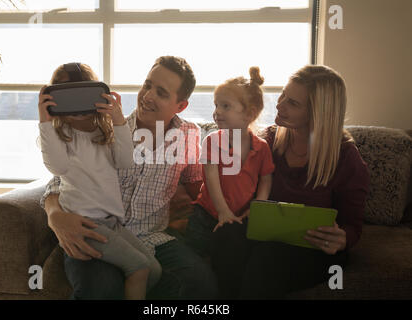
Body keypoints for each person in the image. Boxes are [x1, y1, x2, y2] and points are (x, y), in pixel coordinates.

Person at [39, 56, 218, 299]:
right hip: (97, 230)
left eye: (161, 93)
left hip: (154, 237)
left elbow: (197, 185)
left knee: (201, 282)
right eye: (147, 85)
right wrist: (55, 216)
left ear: (180, 106)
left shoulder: (189, 137)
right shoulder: (105, 126)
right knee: (102, 289)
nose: (148, 96)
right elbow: (60, 179)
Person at [210, 65, 370, 299]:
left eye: (292, 103)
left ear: (318, 113)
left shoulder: (346, 158)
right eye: (283, 94)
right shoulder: (270, 140)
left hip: (312, 247)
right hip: (268, 235)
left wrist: (342, 237)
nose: (279, 104)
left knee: (267, 258)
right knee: (226, 235)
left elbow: (353, 225)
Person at [38, 63, 161, 300]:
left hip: (112, 222)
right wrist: (45, 122)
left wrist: (118, 121)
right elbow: (57, 167)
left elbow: (126, 161)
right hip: (85, 224)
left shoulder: (103, 134)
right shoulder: (62, 137)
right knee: (139, 268)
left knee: (153, 270)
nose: (77, 108)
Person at [185, 67, 275, 258]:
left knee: (232, 256)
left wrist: (258, 206)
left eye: (225, 106)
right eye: (216, 105)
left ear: (249, 115)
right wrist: (222, 211)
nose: (217, 112)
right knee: (195, 252)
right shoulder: (212, 141)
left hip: (242, 216)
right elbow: (210, 177)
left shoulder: (262, 147)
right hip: (206, 213)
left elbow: (266, 178)